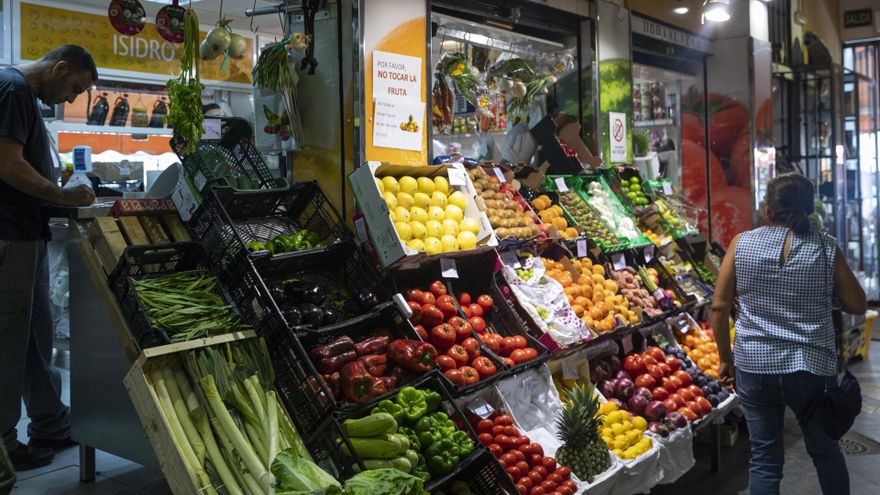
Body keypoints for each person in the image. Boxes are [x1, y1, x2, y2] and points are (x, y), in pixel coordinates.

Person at [710, 173, 867, 495]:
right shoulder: (824, 247)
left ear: (767, 206)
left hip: (754, 366)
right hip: (809, 367)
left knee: (765, 459)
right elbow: (857, 303)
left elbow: (719, 306)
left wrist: (726, 359)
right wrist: (823, 294)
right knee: (825, 451)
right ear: (808, 208)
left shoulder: (742, 243)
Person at [0, 45, 97, 470]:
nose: (71, 100)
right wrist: (60, 194)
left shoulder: (18, 91)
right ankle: (4, 445)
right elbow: (6, 162)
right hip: (9, 236)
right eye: (74, 88)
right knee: (8, 341)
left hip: (27, 234)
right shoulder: (13, 88)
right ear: (59, 68)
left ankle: (51, 422)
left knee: (35, 334)